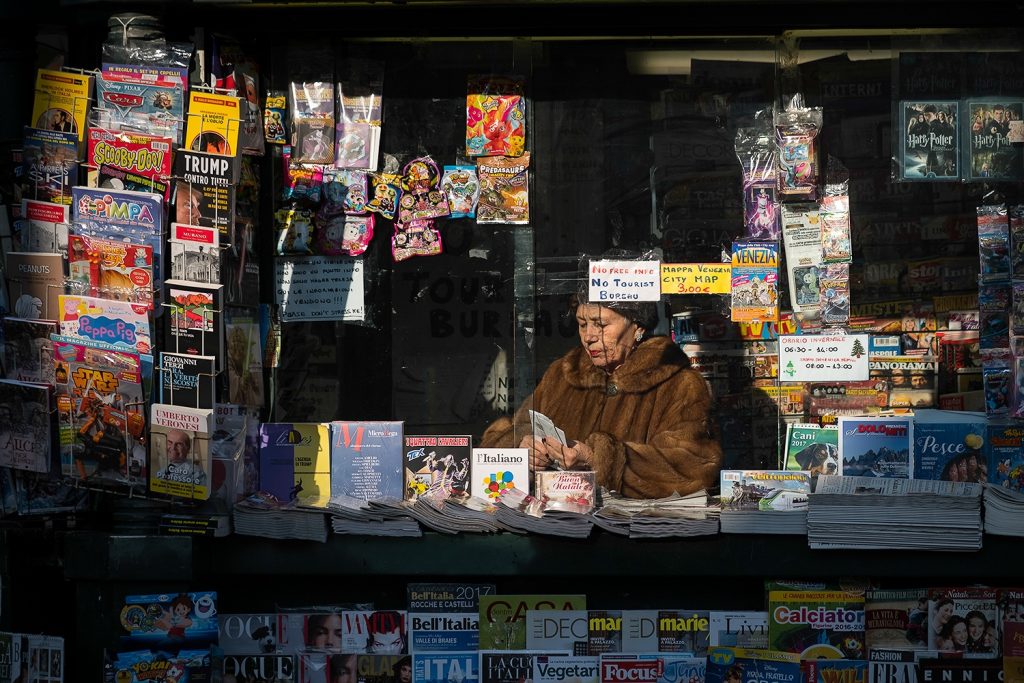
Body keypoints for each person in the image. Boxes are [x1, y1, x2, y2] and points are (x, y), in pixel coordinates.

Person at [480, 295, 722, 499]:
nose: (589, 336)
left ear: (637, 327)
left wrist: (598, 460)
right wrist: (521, 448)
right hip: (558, 525)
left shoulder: (679, 384)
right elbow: (498, 440)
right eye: (582, 324)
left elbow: (695, 468)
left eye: (601, 325)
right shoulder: (562, 374)